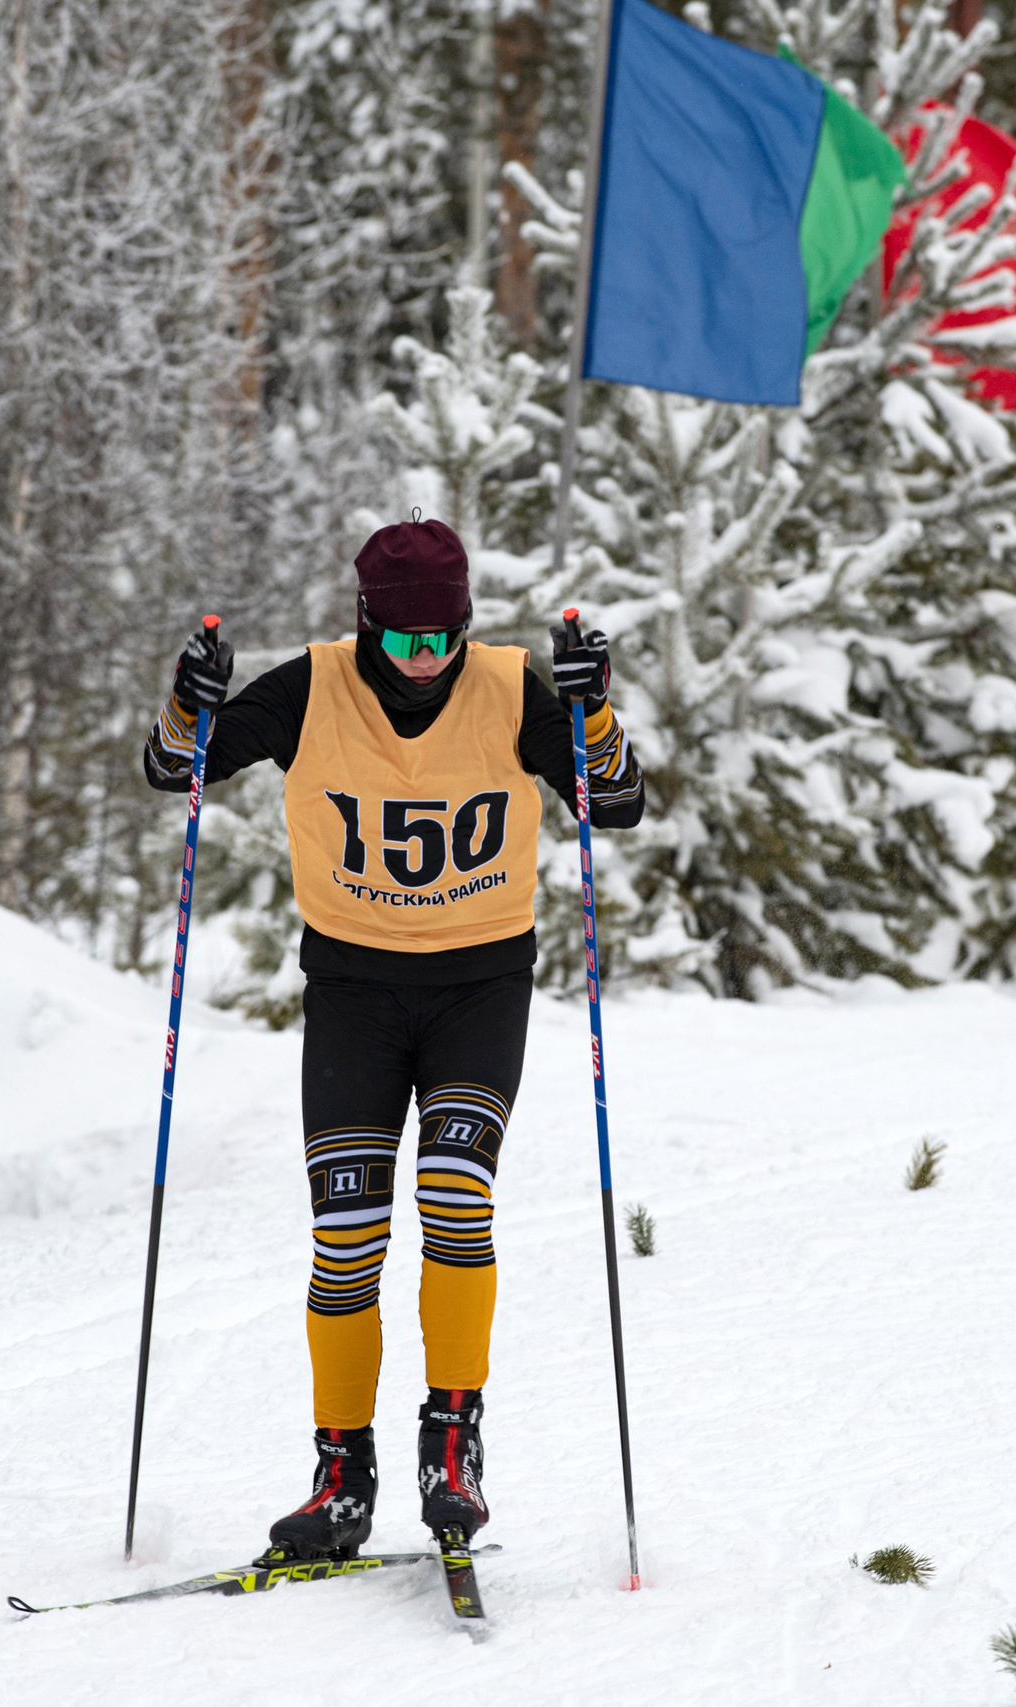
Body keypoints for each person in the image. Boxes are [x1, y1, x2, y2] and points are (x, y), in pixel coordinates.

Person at [144, 516, 644, 1558]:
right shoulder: (311, 687)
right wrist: (189, 703)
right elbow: (174, 770)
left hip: (478, 989)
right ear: (367, 622)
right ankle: (341, 1476)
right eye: (408, 639)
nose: (428, 659)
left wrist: (591, 711)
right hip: (354, 995)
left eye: (446, 637)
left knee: (456, 1197)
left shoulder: (507, 688)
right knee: (346, 1234)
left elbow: (618, 803)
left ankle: (451, 1446)